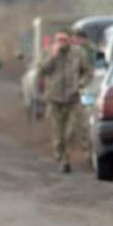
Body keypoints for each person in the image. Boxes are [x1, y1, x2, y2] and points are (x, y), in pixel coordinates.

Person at [39, 29, 94, 173]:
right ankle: (59, 154)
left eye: (64, 40)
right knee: (57, 132)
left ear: (70, 40)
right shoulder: (49, 52)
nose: (61, 43)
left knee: (70, 132)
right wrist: (53, 55)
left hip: (72, 97)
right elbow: (42, 70)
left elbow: (88, 71)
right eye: (59, 40)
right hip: (54, 98)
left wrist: (81, 83)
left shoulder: (78, 53)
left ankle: (66, 160)